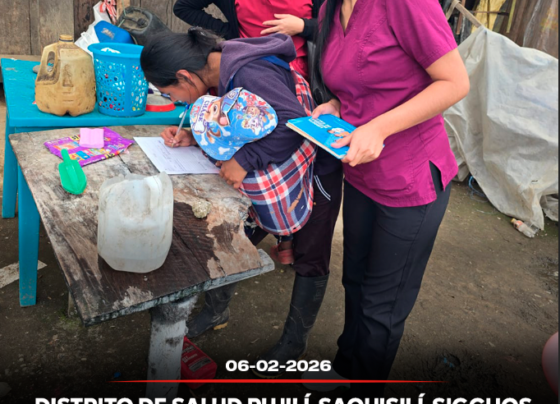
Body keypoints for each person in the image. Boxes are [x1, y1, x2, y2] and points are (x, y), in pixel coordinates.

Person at [140, 28, 343, 378]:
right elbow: (241, 124)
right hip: (268, 171)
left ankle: (294, 343)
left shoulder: (248, 72)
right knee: (233, 236)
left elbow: (290, 124)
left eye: (170, 93)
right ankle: (216, 311)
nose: (174, 101)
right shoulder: (215, 69)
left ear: (185, 76)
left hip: (313, 167)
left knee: (311, 254)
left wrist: (244, 159)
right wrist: (194, 137)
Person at [308, 0, 470, 397]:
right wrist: (336, 104)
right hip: (362, 172)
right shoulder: (331, 9)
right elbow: (359, 84)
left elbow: (454, 82)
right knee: (354, 281)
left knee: (383, 304)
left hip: (411, 179)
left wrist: (379, 127)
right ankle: (346, 368)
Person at [173, 0, 324, 80]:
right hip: (248, 73)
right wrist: (230, 32)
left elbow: (335, 27)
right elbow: (183, 7)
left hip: (301, 77)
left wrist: (303, 26)